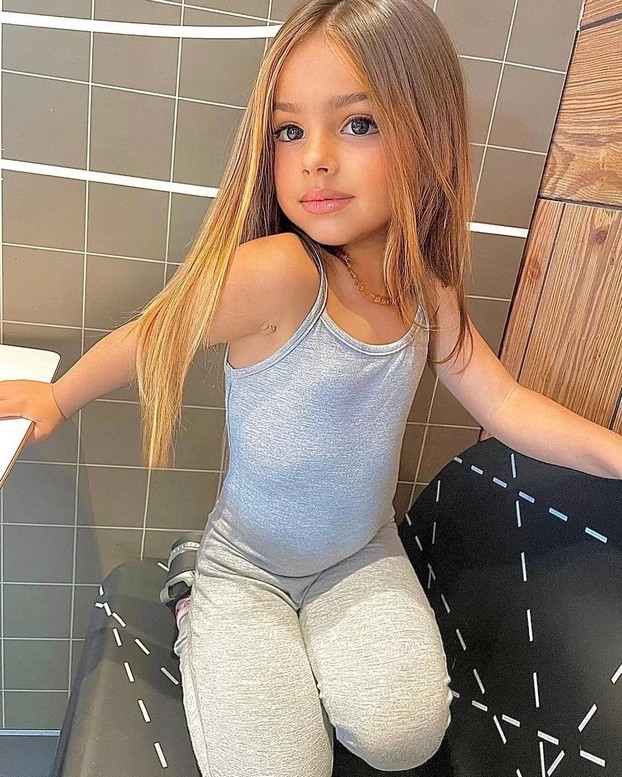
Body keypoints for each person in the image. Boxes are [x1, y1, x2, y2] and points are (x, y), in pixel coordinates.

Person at [1, 0, 621, 774]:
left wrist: (614, 453)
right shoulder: (278, 274)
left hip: (360, 555)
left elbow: (506, 403)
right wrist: (57, 398)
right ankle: (193, 592)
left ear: (425, 136)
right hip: (247, 567)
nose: (315, 159)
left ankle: (307, 650)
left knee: (404, 737)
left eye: (358, 124)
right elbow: (156, 335)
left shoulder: (426, 292)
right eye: (289, 131)